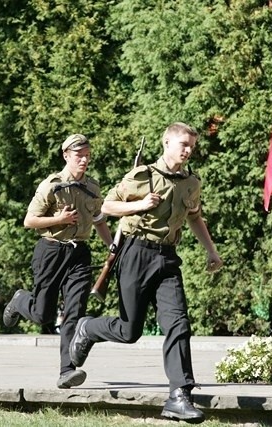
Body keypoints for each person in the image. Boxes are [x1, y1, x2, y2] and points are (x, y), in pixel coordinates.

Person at [69, 122, 223, 423]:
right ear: (166, 143)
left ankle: (179, 395)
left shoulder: (191, 183)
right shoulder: (143, 176)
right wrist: (139, 204)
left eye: (192, 146)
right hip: (135, 253)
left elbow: (194, 217)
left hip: (167, 257)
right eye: (183, 144)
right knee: (129, 331)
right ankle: (87, 328)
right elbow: (105, 207)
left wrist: (211, 251)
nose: (189, 150)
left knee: (178, 323)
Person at [2, 133, 112, 389]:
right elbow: (30, 221)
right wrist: (58, 220)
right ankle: (20, 300)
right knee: (43, 314)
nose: (84, 160)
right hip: (50, 250)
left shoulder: (93, 187)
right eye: (79, 156)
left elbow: (98, 220)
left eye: (87, 155)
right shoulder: (50, 185)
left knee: (75, 311)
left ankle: (67, 370)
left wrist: (112, 246)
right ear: (66, 156)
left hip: (79, 254)